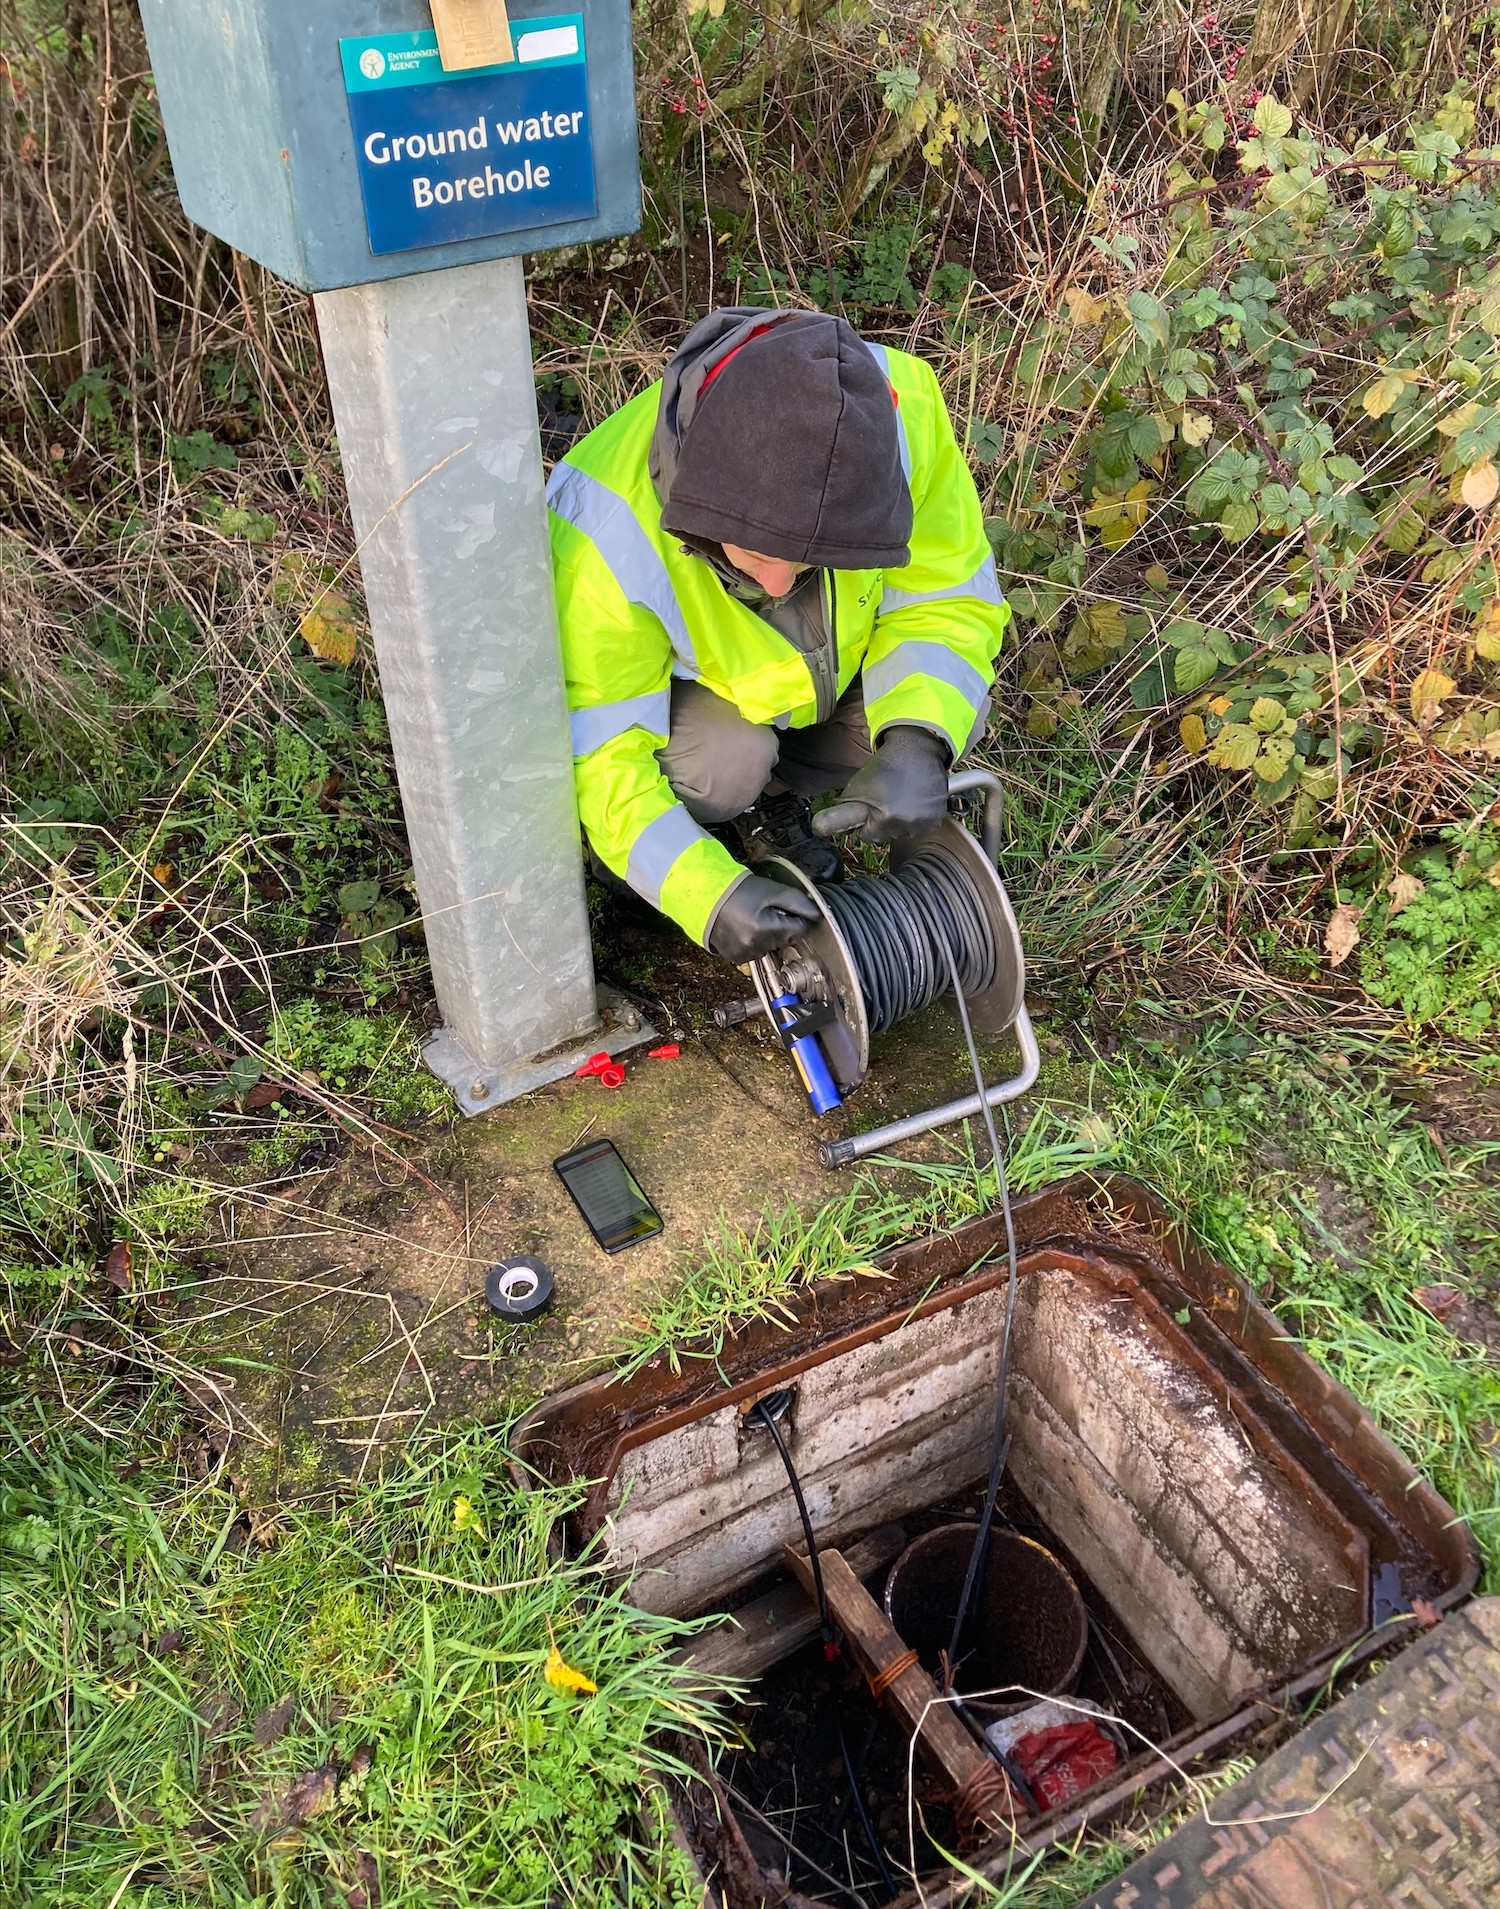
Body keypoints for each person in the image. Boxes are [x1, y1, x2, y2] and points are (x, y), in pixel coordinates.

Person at [547, 306, 1008, 965]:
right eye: (757, 550)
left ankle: (774, 804)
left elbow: (946, 598)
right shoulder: (603, 529)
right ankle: (661, 852)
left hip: (817, 677)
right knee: (722, 764)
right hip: (703, 716)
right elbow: (604, 752)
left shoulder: (901, 418)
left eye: (814, 554)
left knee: (954, 703)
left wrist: (915, 737)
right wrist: (704, 895)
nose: (780, 579)